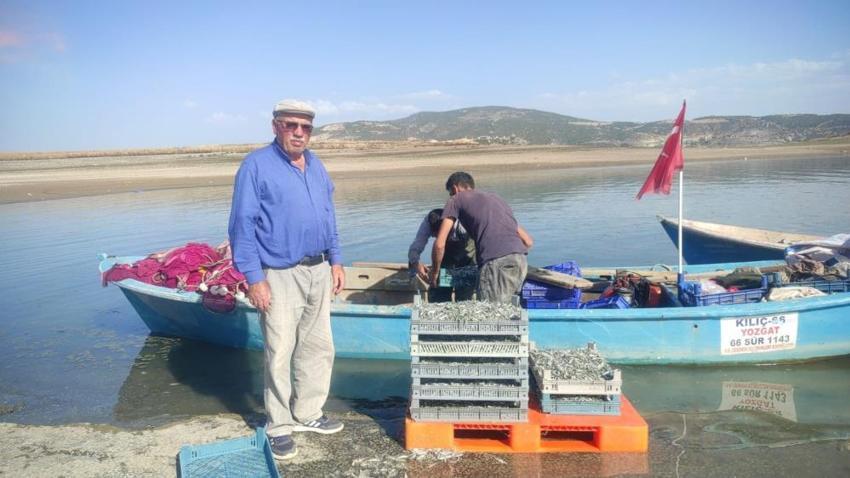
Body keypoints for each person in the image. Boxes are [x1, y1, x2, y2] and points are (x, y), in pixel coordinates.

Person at [228, 99, 345, 461]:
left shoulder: (315, 164)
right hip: (278, 273)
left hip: (319, 270)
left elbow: (328, 216)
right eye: (290, 125)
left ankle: (308, 412)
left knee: (318, 346)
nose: (298, 133)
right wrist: (253, 278)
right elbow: (241, 226)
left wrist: (337, 260)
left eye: (305, 127)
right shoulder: (256, 166)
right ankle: (279, 424)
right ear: (276, 125)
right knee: (280, 350)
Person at [430, 172, 533, 303]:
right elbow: (528, 241)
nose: (451, 196)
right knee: (506, 311)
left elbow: (439, 244)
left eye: (451, 192)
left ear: (455, 188)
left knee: (489, 315)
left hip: (495, 263)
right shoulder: (495, 199)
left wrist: (435, 272)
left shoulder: (456, 199)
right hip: (520, 261)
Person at [408, 208, 476, 301]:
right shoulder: (427, 222)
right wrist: (417, 264)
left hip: (467, 260)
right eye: (435, 235)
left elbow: (483, 244)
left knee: (464, 299)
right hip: (444, 262)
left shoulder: (463, 224)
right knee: (438, 296)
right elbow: (415, 248)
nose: (438, 237)